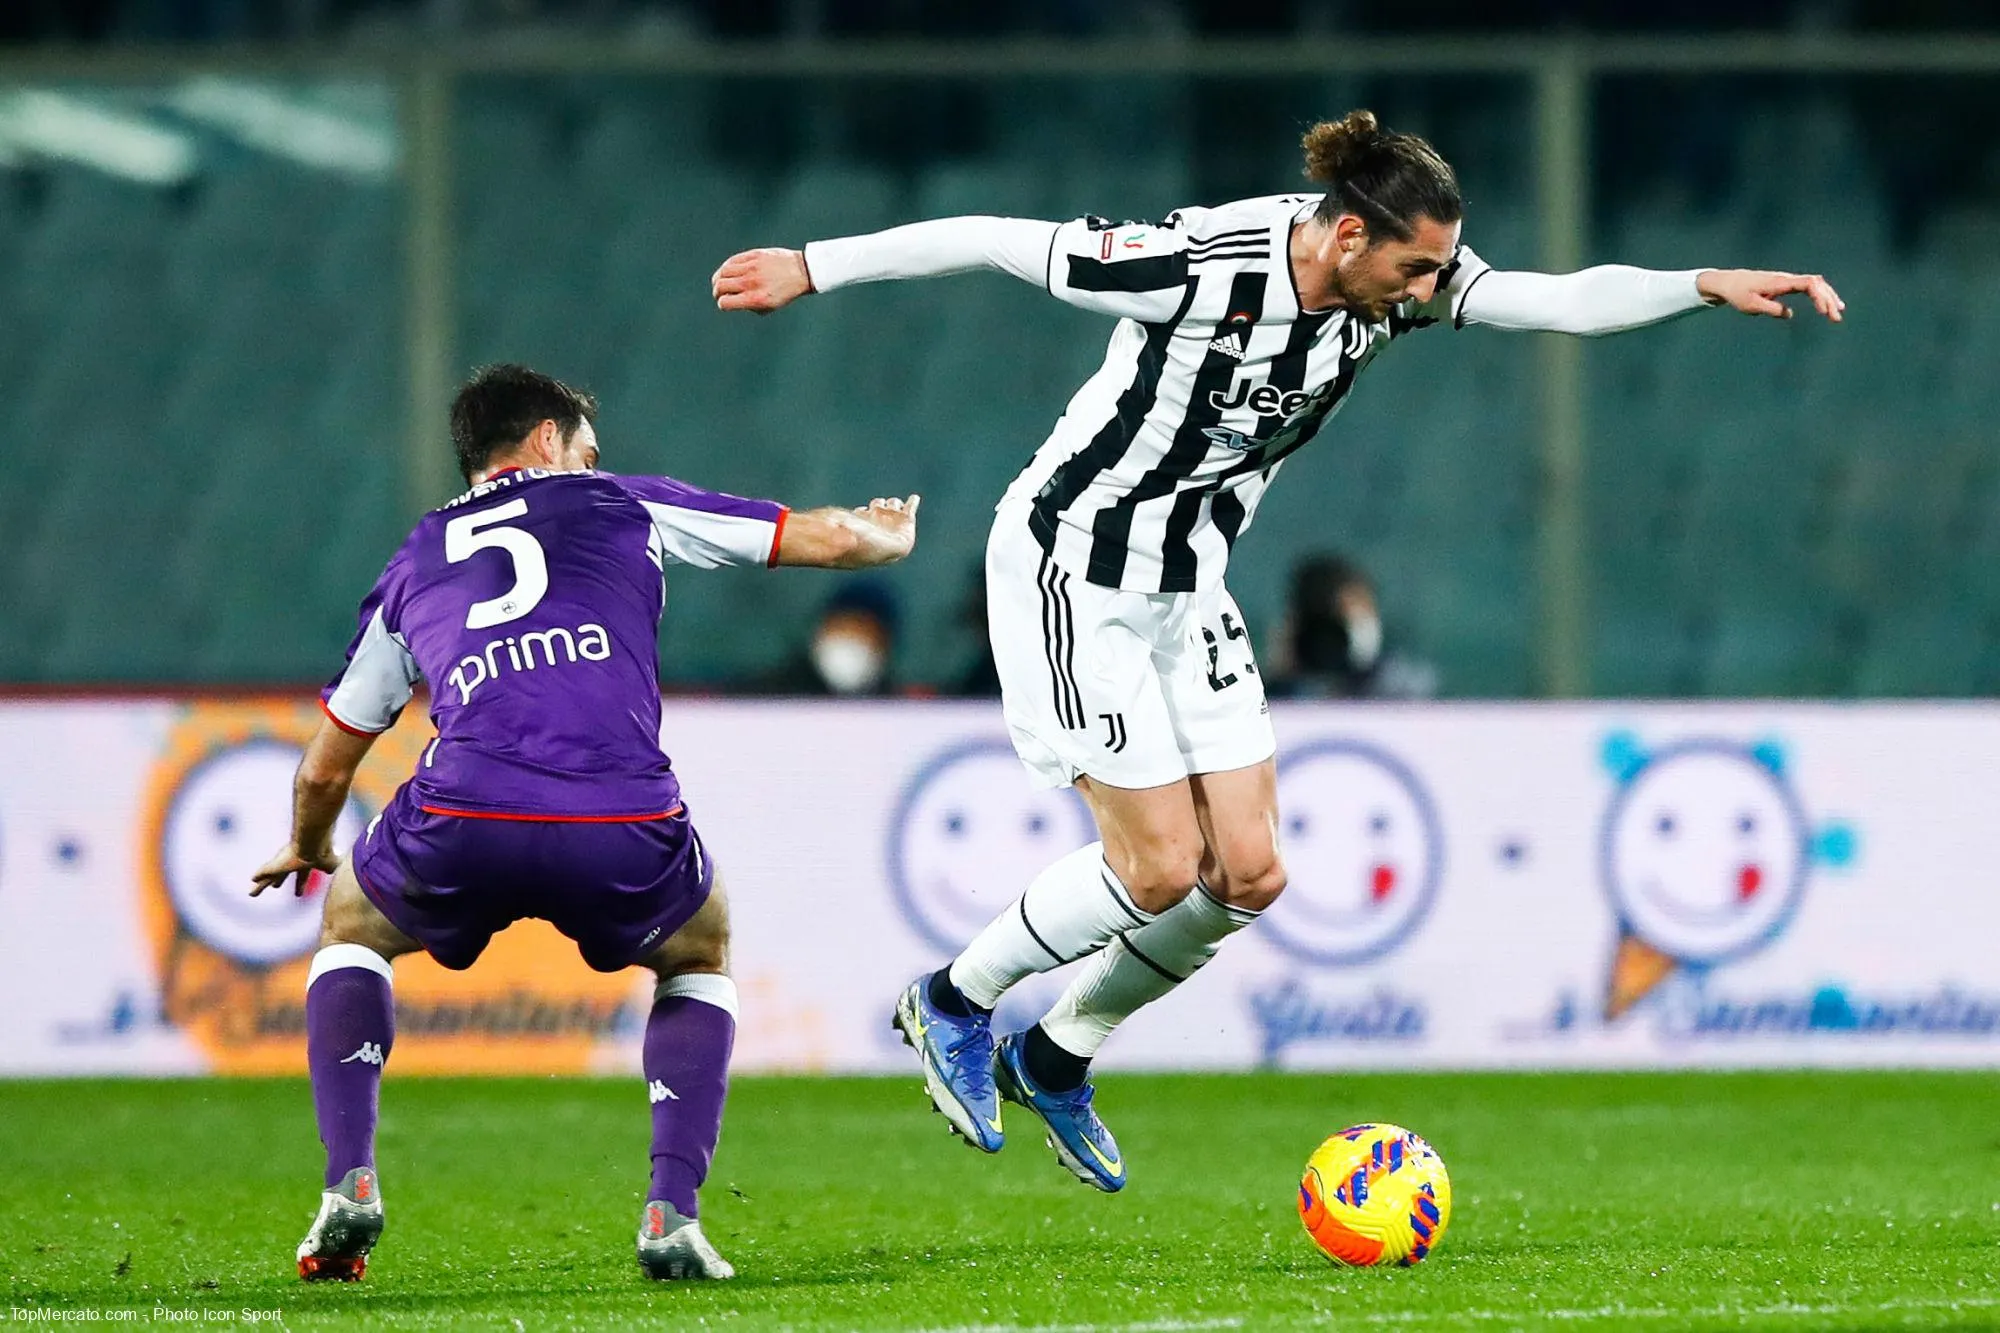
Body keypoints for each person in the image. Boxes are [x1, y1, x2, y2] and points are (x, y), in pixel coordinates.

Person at [711, 109, 1843, 1192]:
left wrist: (1699, 285)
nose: (1429, 289)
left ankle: (1057, 1054)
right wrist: (815, 263)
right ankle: (954, 1001)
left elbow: (1551, 299)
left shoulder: (1393, 287)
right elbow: (997, 239)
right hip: (1073, 567)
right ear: (1348, 232)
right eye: (1413, 269)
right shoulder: (1197, 263)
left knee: (1245, 874)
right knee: (1153, 867)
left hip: (1186, 586)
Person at [248, 364, 919, 1281]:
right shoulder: (620, 504)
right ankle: (670, 1211)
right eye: (587, 447)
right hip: (620, 810)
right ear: (546, 441)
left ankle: (347, 1183)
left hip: (464, 809)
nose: (598, 463)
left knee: (352, 926)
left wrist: (308, 843)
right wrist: (884, 536)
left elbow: (330, 760)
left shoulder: (415, 558)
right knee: (698, 947)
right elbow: (825, 540)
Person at [1266, 553, 1436, 700]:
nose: (1331, 642)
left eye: (1359, 609)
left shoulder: (1402, 685)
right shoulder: (1278, 693)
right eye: (1332, 622)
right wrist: (1279, 678)